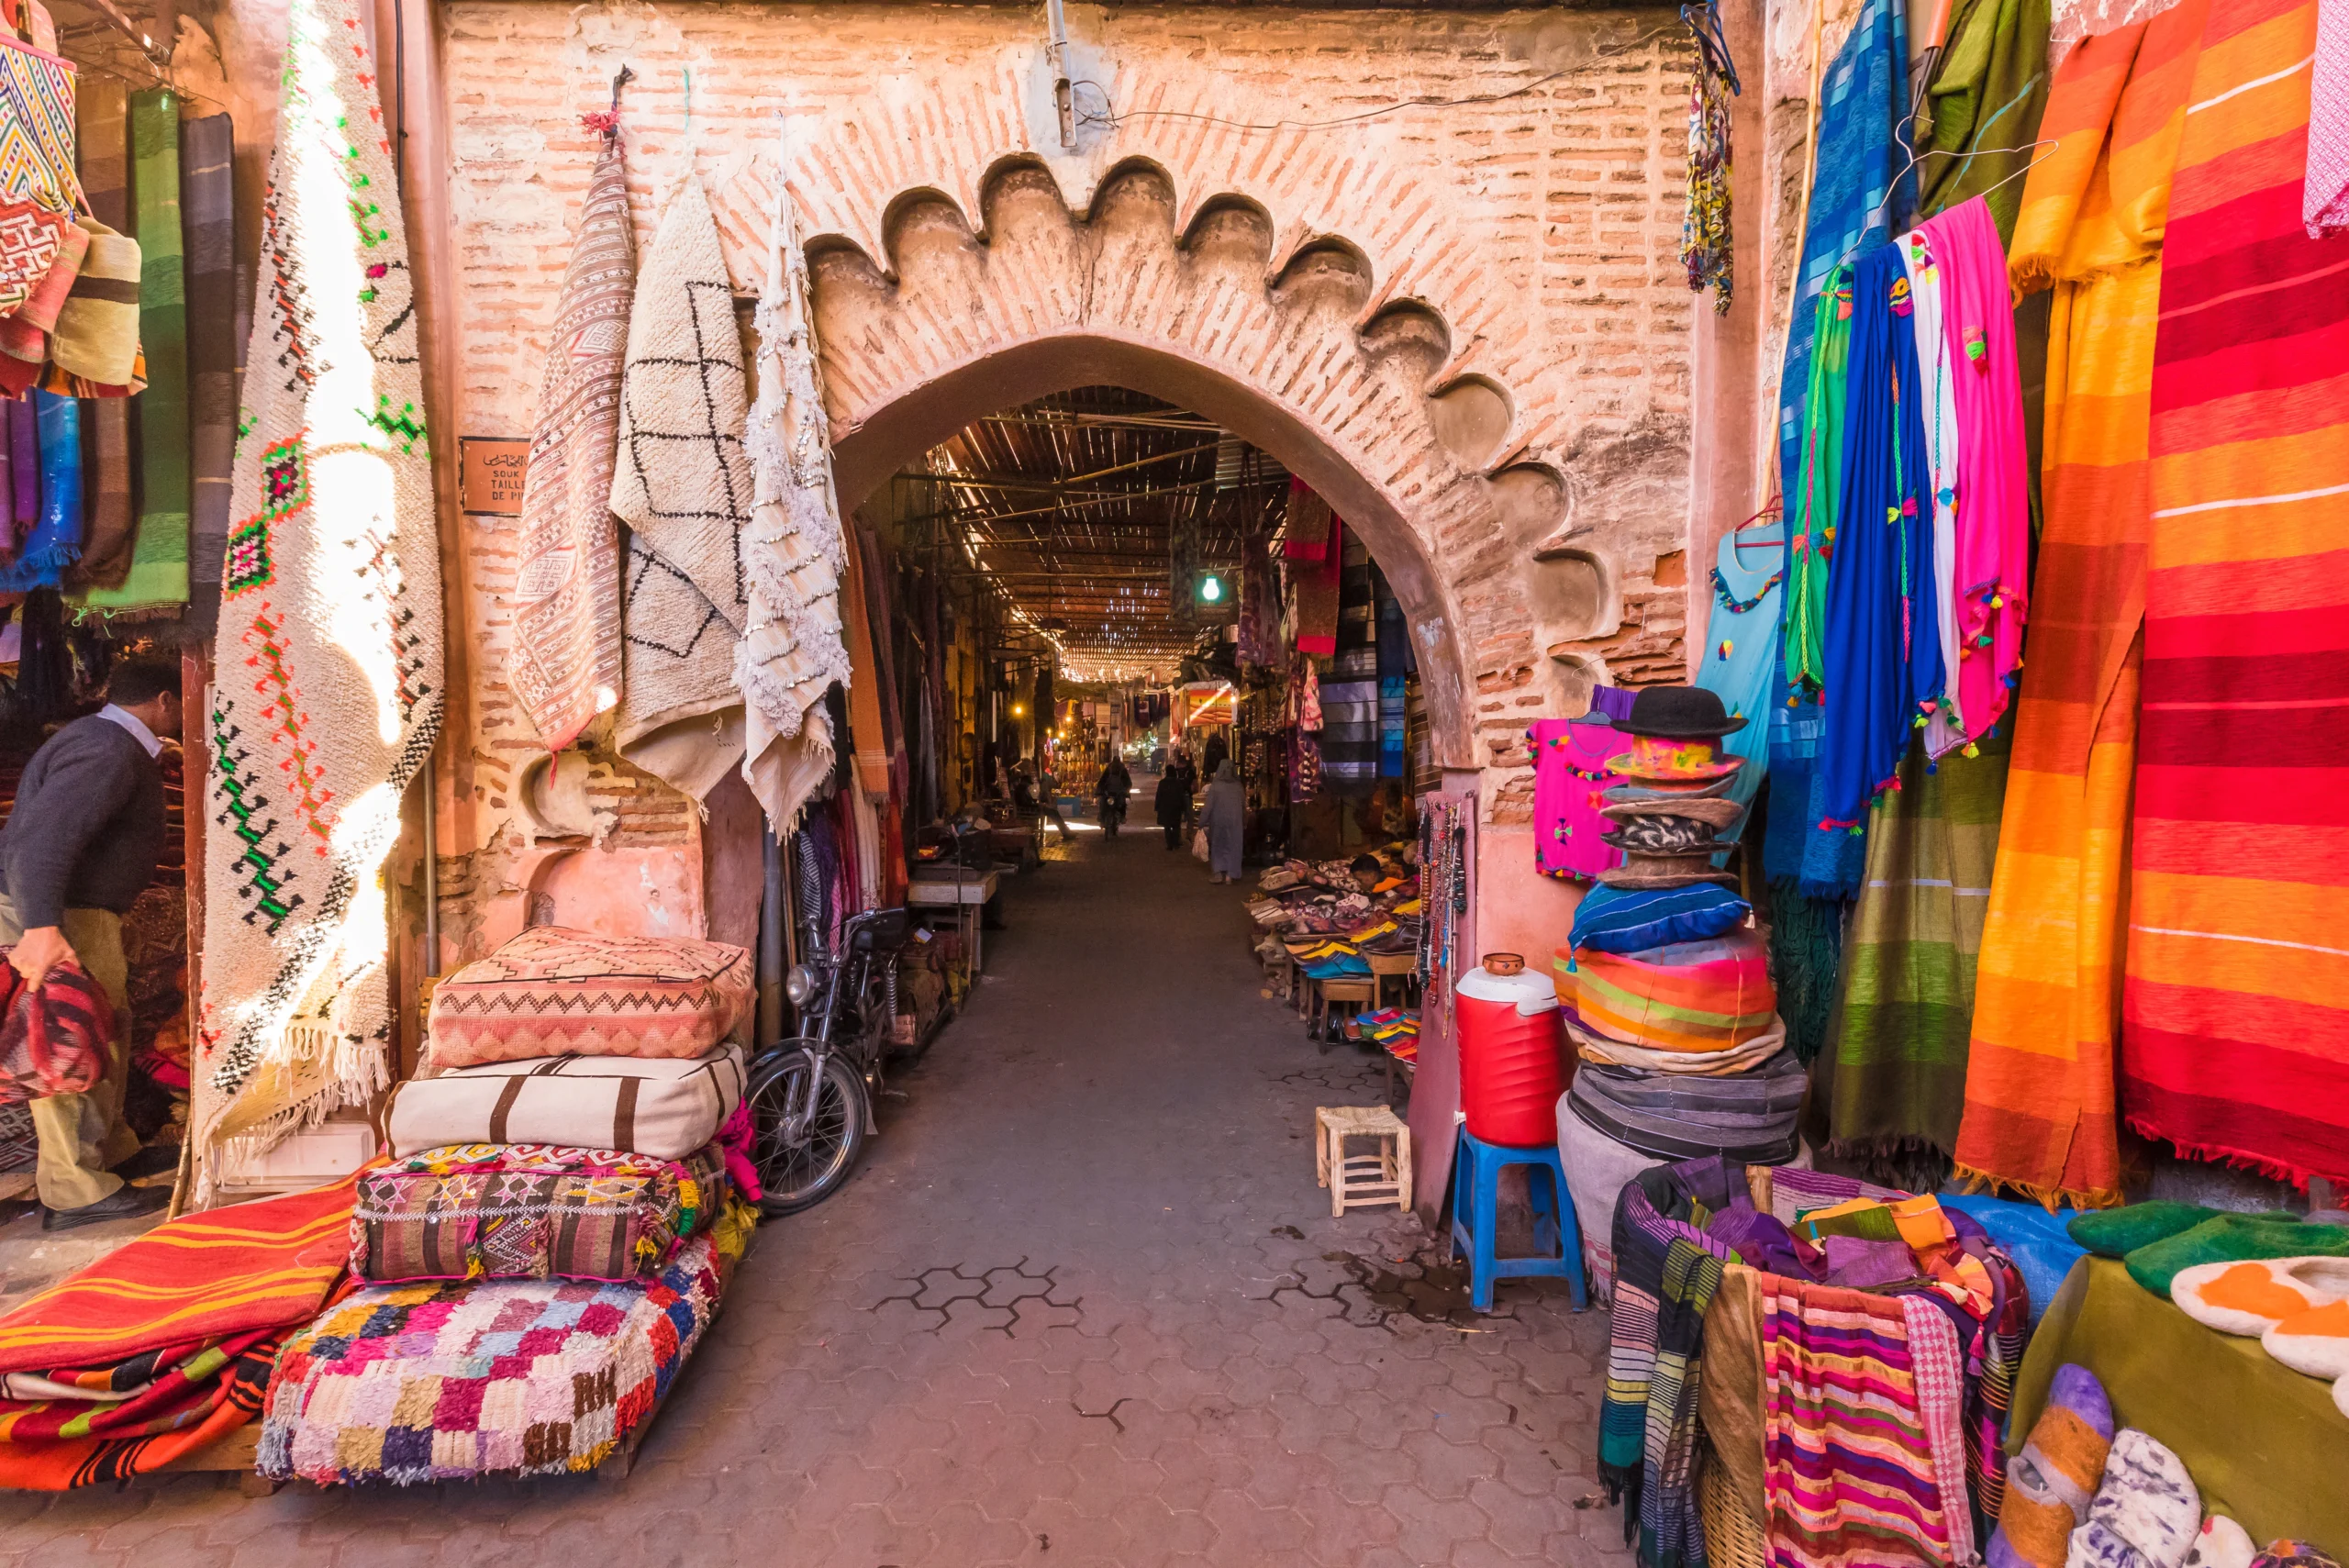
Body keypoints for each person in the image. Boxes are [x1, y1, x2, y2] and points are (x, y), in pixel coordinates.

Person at [0, 655, 184, 1229]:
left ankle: (111, 1154)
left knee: (104, 1029)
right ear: (165, 701)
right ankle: (73, 1189)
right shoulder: (106, 748)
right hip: (57, 915)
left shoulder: (106, 743)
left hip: (79, 911)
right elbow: (42, 840)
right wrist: (40, 928)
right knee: (61, 1038)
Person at [1201, 760, 1246, 883]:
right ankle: (1230, 875)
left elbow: (1208, 807)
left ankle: (1218, 873)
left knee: (1219, 846)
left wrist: (1201, 822)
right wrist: (1245, 820)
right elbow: (1243, 806)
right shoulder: (1238, 786)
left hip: (1218, 821)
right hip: (1235, 822)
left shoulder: (1216, 787)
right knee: (1234, 846)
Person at [1154, 752, 1193, 850]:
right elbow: (1181, 796)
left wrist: (1157, 806)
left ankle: (1169, 844)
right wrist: (1184, 808)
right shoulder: (1178, 783)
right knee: (1176, 826)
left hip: (1165, 807)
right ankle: (1175, 842)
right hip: (1176, 808)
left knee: (1167, 826)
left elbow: (1159, 795)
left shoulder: (1162, 783)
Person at [1095, 751, 1132, 836]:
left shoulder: (1122, 771)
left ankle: (1122, 817)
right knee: (1102, 804)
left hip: (1119, 793)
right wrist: (1099, 790)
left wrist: (1126, 790)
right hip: (1108, 793)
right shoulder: (1108, 770)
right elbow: (1102, 781)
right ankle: (1101, 818)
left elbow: (1128, 782)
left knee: (1122, 805)